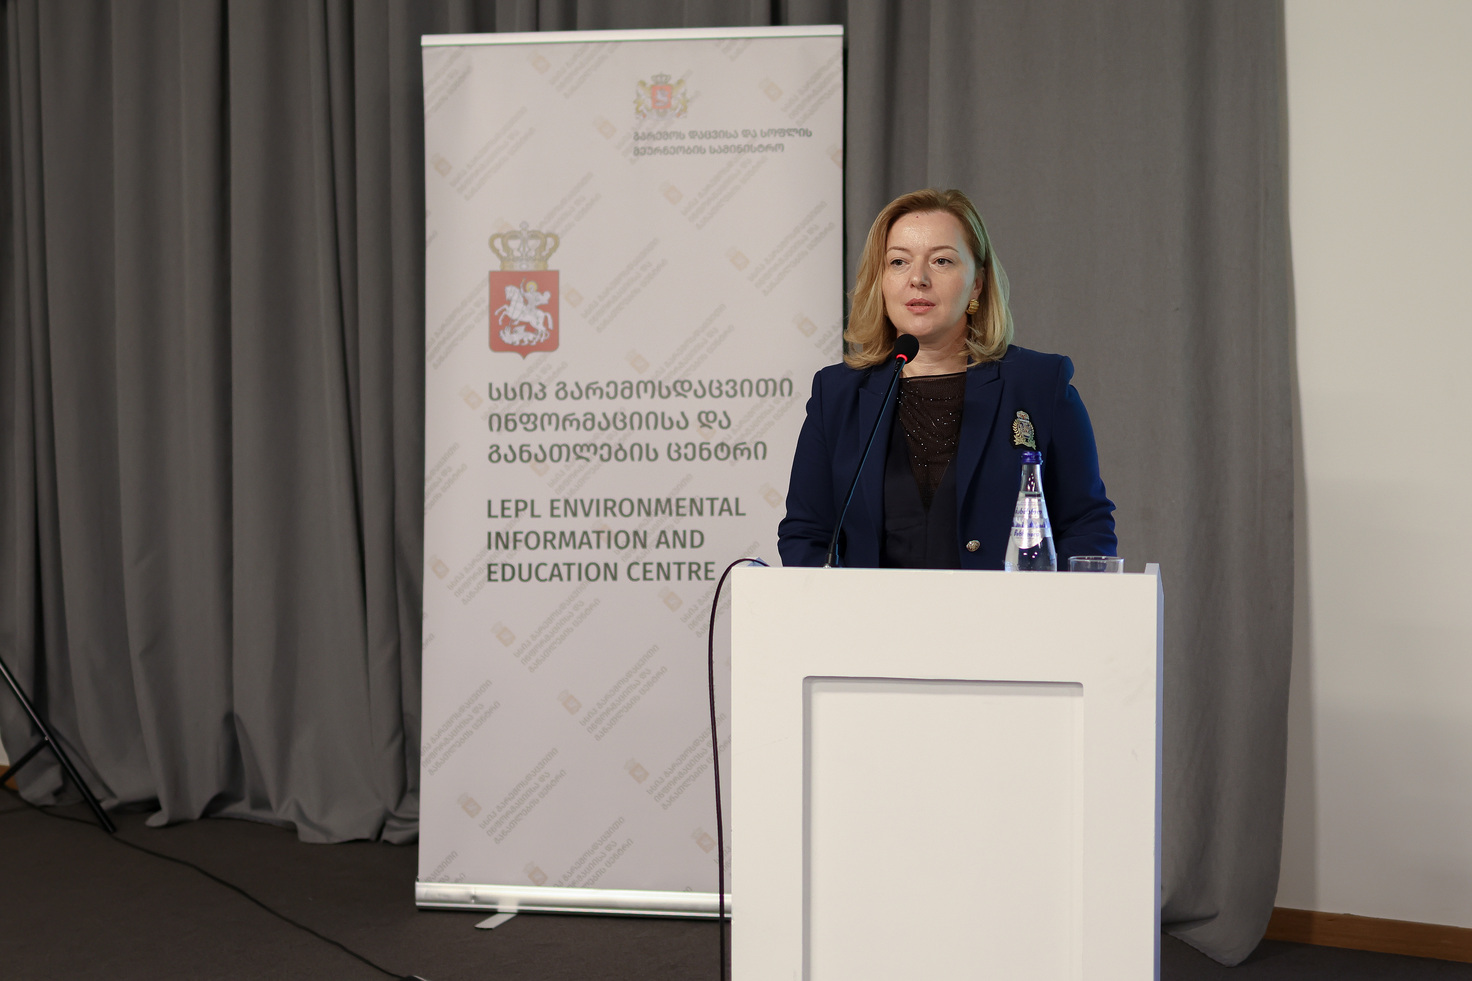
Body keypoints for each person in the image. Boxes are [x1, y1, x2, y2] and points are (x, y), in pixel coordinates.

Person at [778, 188, 1116, 569]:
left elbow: (1086, 525)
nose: (918, 279)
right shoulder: (837, 395)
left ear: (977, 283)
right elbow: (806, 533)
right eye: (898, 262)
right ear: (880, 281)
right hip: (867, 609)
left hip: (1006, 608)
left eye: (941, 261)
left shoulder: (1039, 385)